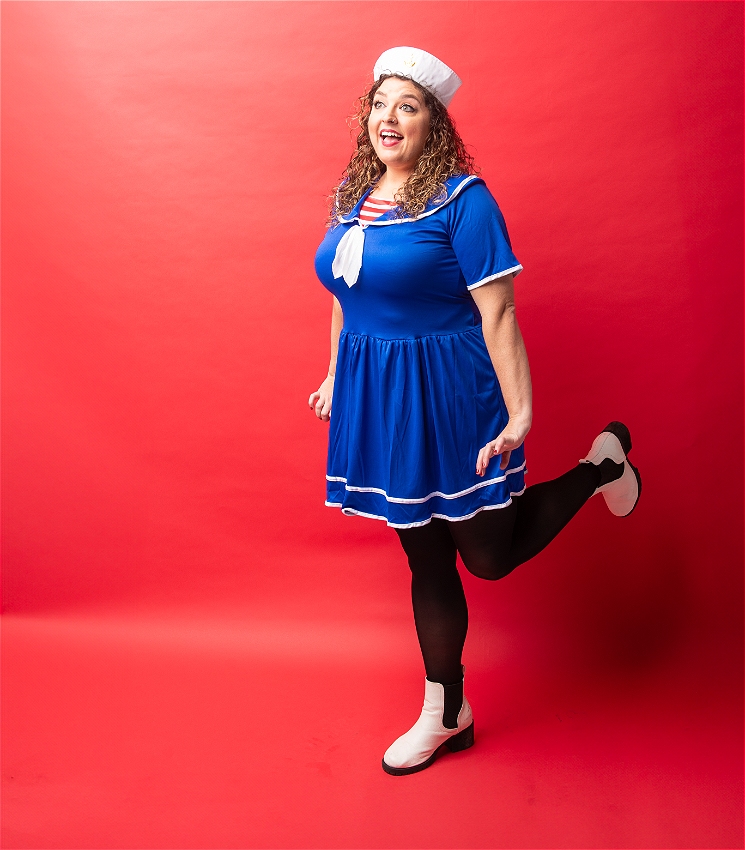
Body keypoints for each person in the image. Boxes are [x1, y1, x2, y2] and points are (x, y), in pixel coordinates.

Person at [308, 46, 641, 776]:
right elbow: (344, 295)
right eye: (380, 102)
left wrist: (520, 416)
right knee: (423, 553)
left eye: (409, 105)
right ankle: (445, 710)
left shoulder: (463, 201)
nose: (388, 117)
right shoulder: (351, 195)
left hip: (451, 392)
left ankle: (599, 466)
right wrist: (336, 374)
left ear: (435, 123)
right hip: (379, 398)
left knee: (487, 559)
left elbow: (497, 317)